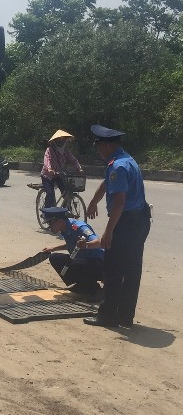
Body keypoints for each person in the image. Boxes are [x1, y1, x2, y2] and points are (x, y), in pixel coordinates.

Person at [82, 125, 151, 328]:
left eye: (98, 146)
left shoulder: (118, 166)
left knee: (113, 269)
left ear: (107, 145)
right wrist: (93, 202)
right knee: (132, 269)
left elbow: (120, 202)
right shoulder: (125, 160)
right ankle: (125, 316)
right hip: (139, 220)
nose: (97, 150)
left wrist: (108, 232)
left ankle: (108, 316)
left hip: (126, 222)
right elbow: (106, 184)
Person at [41, 207, 104, 296]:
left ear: (60, 221)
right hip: (84, 261)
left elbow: (100, 242)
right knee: (55, 258)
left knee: (74, 264)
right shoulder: (65, 228)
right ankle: (82, 284)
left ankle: (93, 288)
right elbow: (72, 244)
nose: (49, 226)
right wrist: (52, 249)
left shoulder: (79, 227)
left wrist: (86, 245)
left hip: (99, 263)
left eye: (50, 223)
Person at [40, 129, 83, 208]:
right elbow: (47, 160)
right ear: (55, 141)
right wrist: (49, 169)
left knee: (66, 192)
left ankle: (66, 209)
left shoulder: (65, 151)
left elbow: (73, 160)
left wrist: (79, 168)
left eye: (63, 140)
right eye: (60, 140)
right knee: (50, 194)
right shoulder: (49, 150)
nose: (62, 142)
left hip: (58, 175)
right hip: (47, 176)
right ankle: (47, 211)